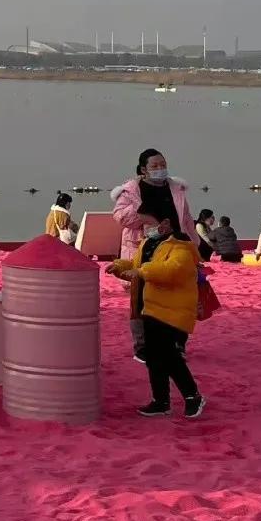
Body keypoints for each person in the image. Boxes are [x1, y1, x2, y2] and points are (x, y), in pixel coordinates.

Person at [106, 197, 205, 418]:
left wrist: (141, 272)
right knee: (153, 357)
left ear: (166, 224)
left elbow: (170, 271)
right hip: (149, 308)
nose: (145, 230)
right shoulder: (148, 244)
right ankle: (160, 400)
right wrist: (121, 266)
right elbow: (137, 266)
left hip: (172, 311)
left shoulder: (181, 247)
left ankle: (192, 395)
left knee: (169, 355)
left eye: (148, 224)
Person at [111, 150, 196, 362]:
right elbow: (120, 217)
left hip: (176, 245)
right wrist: (141, 212)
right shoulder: (131, 190)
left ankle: (177, 344)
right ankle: (143, 348)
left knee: (178, 295)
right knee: (142, 298)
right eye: (155, 166)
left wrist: (196, 245)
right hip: (143, 247)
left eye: (163, 164)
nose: (160, 169)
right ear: (143, 169)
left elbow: (186, 218)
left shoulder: (176, 187)